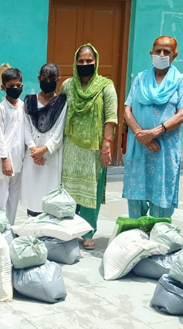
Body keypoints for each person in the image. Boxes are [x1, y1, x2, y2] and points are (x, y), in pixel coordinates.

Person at [122, 36, 183, 218]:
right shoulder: (140, 78)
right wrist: (140, 135)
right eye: (158, 50)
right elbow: (127, 110)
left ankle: (159, 236)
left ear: (174, 55)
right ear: (151, 53)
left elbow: (182, 114)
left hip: (164, 148)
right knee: (136, 192)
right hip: (139, 144)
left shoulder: (181, 80)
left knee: (161, 191)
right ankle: (136, 233)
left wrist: (153, 133)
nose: (161, 54)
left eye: (166, 51)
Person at [60, 44, 117, 250]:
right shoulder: (67, 85)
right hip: (70, 146)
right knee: (69, 189)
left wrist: (106, 147)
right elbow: (61, 114)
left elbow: (110, 118)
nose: (85, 64)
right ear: (75, 62)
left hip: (94, 149)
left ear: (96, 62)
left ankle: (88, 231)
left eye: (89, 61)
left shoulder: (105, 86)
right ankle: (68, 228)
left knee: (90, 190)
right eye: (81, 61)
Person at [21, 63, 67, 216]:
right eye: (44, 78)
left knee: (49, 192)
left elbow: (59, 132)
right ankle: (32, 226)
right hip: (32, 156)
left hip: (51, 156)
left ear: (58, 80)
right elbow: (26, 127)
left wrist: (43, 150)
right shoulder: (29, 101)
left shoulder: (62, 102)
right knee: (32, 191)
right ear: (39, 78)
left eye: (51, 78)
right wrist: (34, 150)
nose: (47, 81)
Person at [0, 68, 26, 225]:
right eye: (12, 85)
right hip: (4, 159)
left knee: (14, 197)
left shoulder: (24, 106)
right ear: (3, 87)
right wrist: (5, 160)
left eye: (19, 85)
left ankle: (9, 227)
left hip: (19, 159)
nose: (16, 88)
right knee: (2, 197)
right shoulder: (0, 109)